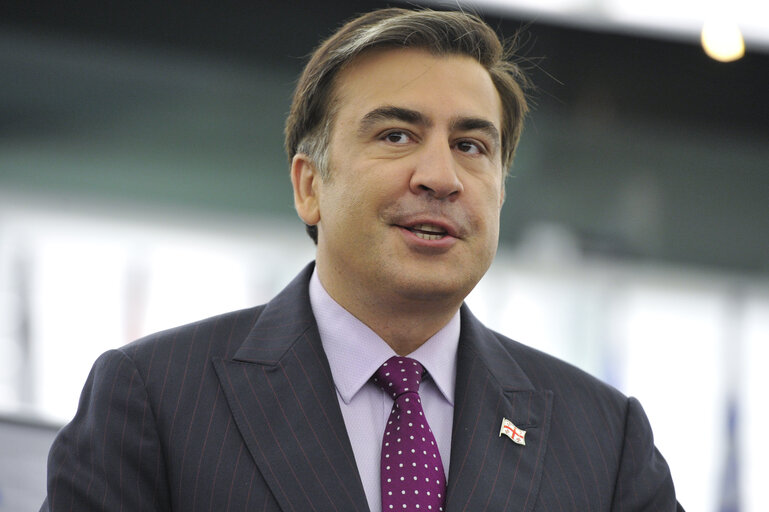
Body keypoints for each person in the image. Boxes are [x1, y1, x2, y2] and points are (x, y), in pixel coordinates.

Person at [41, 7, 683, 511]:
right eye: (396, 135)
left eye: (471, 145)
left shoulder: (604, 435)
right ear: (309, 185)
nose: (441, 176)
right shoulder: (156, 397)